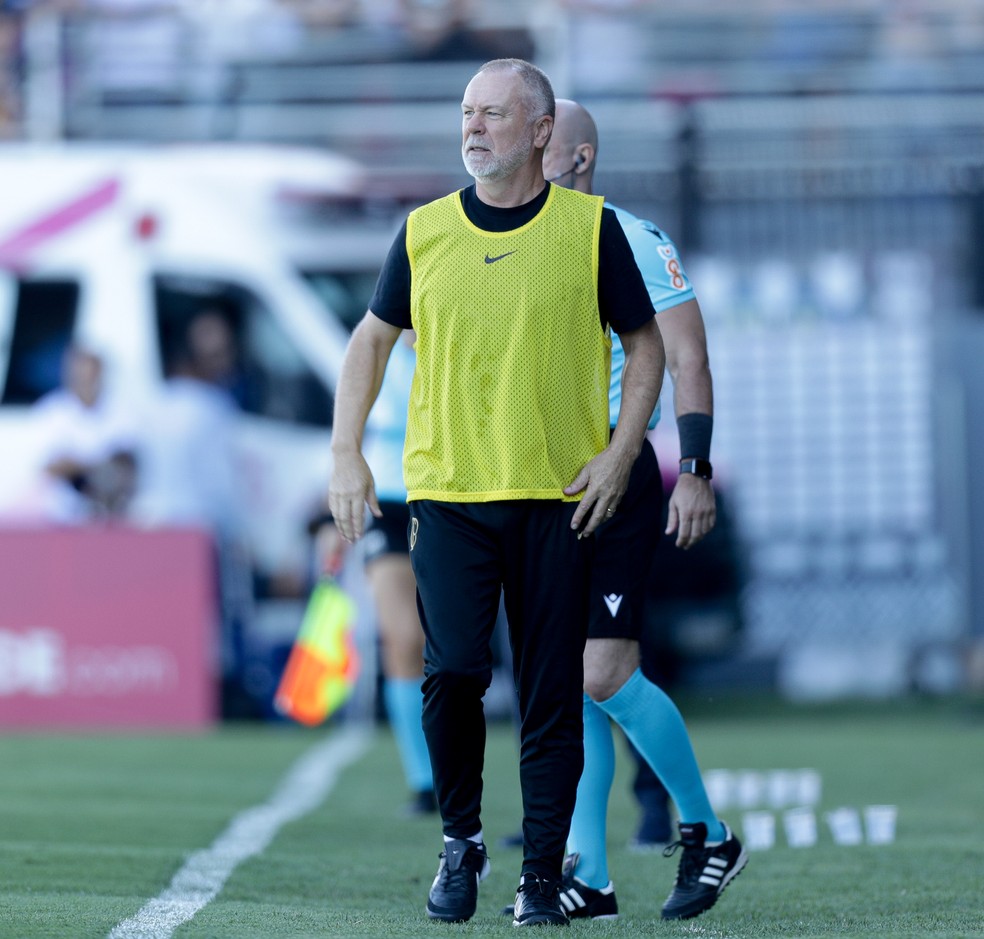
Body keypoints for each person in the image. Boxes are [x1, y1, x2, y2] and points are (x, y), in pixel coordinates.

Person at [327, 58, 664, 927]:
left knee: (551, 693)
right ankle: (462, 840)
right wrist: (346, 453)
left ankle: (543, 873)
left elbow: (647, 345)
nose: (473, 128)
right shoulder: (424, 231)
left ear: (543, 131)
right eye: (467, 113)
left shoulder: (591, 230)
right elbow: (370, 341)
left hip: (559, 498)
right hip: (449, 495)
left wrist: (622, 453)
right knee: (452, 672)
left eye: (494, 114)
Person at [541, 99, 747, 921]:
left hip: (618, 477)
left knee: (603, 671)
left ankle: (708, 830)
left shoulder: (630, 237)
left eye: (538, 136)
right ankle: (589, 872)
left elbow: (689, 354)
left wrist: (692, 469)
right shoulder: (515, 243)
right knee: (569, 683)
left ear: (579, 157)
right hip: (538, 489)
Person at [312, 330, 436, 816]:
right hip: (388, 501)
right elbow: (346, 432)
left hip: (453, 497)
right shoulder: (371, 339)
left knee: (461, 647)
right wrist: (330, 515)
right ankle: (425, 780)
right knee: (403, 639)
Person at [20, 343, 138, 523]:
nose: (85, 377)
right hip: (63, 514)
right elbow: (50, 466)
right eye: (79, 371)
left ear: (100, 372)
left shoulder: (120, 411)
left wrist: (83, 465)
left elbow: (127, 460)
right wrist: (95, 466)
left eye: (90, 370)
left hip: (110, 512)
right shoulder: (52, 411)